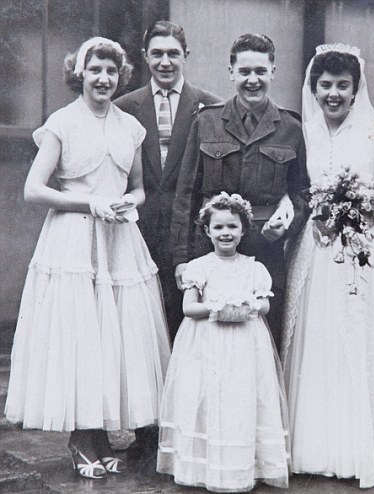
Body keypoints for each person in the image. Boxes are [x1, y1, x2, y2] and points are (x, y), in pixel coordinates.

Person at [3, 37, 171, 479]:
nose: (103, 78)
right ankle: (82, 437)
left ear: (121, 76)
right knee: (81, 334)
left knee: (114, 335)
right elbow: (34, 189)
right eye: (95, 69)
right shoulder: (62, 122)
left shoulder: (130, 127)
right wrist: (90, 204)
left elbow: (138, 186)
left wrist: (127, 202)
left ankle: (104, 435)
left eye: (111, 71)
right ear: (79, 73)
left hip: (119, 239)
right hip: (73, 240)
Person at [281, 45, 374, 488]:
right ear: (314, 89)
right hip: (315, 250)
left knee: (355, 335)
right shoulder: (306, 133)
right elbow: (297, 190)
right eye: (325, 85)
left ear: (355, 89)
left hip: (359, 249)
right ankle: (311, 447)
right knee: (316, 338)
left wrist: (357, 199)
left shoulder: (373, 135)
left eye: (342, 85)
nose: (333, 93)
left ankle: (358, 449)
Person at [114, 20, 222, 462]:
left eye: (172, 53)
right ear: (145, 57)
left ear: (185, 56)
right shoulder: (123, 107)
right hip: (136, 234)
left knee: (184, 326)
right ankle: (146, 432)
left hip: (189, 235)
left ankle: (186, 430)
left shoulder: (209, 106)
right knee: (142, 331)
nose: (164, 61)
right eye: (156, 53)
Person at [171, 33, 309, 350]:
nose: (252, 80)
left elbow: (302, 193)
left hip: (265, 251)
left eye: (260, 71)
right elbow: (186, 195)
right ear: (231, 72)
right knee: (210, 343)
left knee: (262, 341)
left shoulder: (290, 127)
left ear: (273, 71)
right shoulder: (207, 122)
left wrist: (286, 226)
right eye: (244, 71)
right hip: (211, 251)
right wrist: (181, 257)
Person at [157, 193, 289, 492]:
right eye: (218, 227)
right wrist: (217, 307)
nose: (225, 233)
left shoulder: (254, 268)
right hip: (208, 343)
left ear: (243, 230)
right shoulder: (199, 267)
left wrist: (247, 305)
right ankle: (207, 466)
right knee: (210, 398)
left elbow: (265, 305)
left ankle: (242, 466)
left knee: (241, 398)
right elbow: (189, 308)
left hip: (245, 344)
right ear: (207, 231)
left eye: (232, 226)